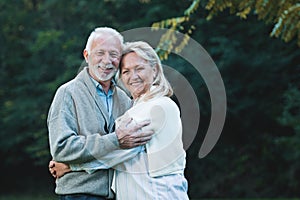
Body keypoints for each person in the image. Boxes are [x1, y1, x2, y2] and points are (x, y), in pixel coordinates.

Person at [50, 41, 189, 200]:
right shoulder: (133, 107)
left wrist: (69, 166)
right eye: (126, 71)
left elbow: (118, 152)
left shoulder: (158, 106)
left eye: (139, 69)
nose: (133, 77)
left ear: (155, 70)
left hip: (157, 194)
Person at [47, 27, 154, 200]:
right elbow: (62, 148)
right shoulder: (68, 93)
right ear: (86, 55)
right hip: (80, 194)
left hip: (119, 193)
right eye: (100, 53)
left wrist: (71, 167)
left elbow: (131, 152)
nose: (107, 61)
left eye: (114, 54)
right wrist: (114, 140)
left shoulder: (125, 99)